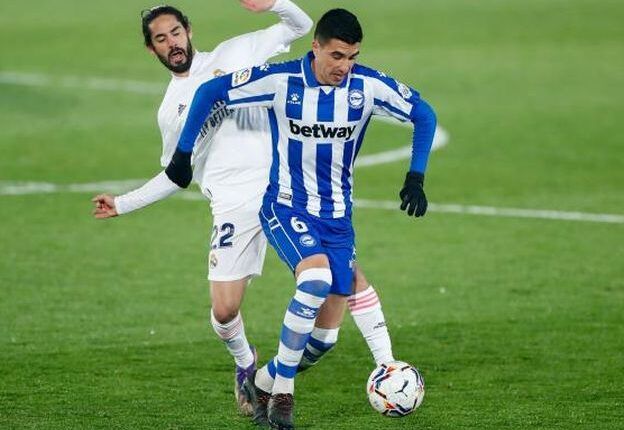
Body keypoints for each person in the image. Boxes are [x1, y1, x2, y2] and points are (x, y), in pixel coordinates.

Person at [91, 2, 396, 418]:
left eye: (175, 32)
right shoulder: (171, 111)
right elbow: (176, 174)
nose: (172, 43)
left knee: (334, 310)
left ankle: (336, 371)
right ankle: (245, 364)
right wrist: (123, 203)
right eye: (161, 39)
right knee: (224, 310)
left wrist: (274, 4)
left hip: (289, 193)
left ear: (188, 30)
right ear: (152, 49)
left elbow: (303, 26)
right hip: (234, 206)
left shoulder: (237, 53)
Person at [164, 8, 436, 429]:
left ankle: (263, 379)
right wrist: (182, 154)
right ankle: (284, 396)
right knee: (314, 279)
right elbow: (210, 92)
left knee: (325, 338)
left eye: (353, 57)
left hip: (338, 218)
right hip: (286, 206)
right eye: (337, 56)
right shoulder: (282, 81)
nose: (345, 67)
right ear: (316, 48)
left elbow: (424, 114)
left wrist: (415, 175)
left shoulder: (367, 87)